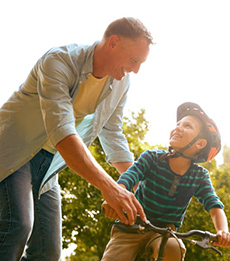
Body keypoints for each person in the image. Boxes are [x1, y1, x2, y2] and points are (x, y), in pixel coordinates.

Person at [0, 17, 153, 260]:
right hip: (14, 151)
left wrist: (141, 189)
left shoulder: (120, 82)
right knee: (17, 227)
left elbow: (112, 133)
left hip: (49, 165)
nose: (135, 70)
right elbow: (62, 133)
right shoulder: (58, 61)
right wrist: (110, 188)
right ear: (113, 42)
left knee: (47, 252)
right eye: (134, 61)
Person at [101, 102, 230, 261]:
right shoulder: (152, 158)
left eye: (187, 126)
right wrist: (114, 196)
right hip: (131, 226)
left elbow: (214, 206)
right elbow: (129, 176)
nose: (178, 127)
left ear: (200, 144)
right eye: (177, 124)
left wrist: (223, 231)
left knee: (173, 247)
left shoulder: (199, 176)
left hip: (164, 232)